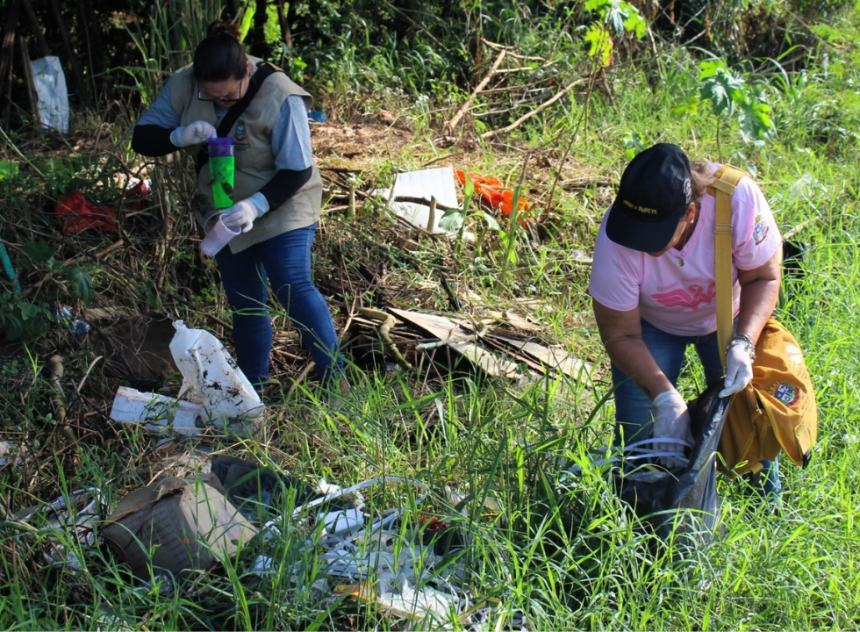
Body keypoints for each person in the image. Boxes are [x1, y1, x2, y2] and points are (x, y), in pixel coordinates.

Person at [131, 21, 344, 393]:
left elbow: (297, 169)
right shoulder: (183, 84)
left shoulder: (281, 95)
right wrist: (177, 136)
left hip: (283, 201)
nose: (219, 105)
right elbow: (142, 139)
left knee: (291, 284)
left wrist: (256, 205)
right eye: (211, 98)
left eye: (228, 98)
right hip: (224, 208)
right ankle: (251, 392)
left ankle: (334, 379)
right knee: (245, 300)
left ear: (246, 71)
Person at [589, 143, 783, 499]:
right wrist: (666, 399)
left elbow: (764, 277)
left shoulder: (735, 200)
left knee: (749, 419)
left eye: (656, 234)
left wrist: (744, 342)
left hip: (728, 317)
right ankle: (644, 530)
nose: (642, 245)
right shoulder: (617, 235)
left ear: (691, 213)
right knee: (641, 441)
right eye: (637, 232)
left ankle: (766, 509)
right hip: (649, 329)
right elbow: (620, 335)